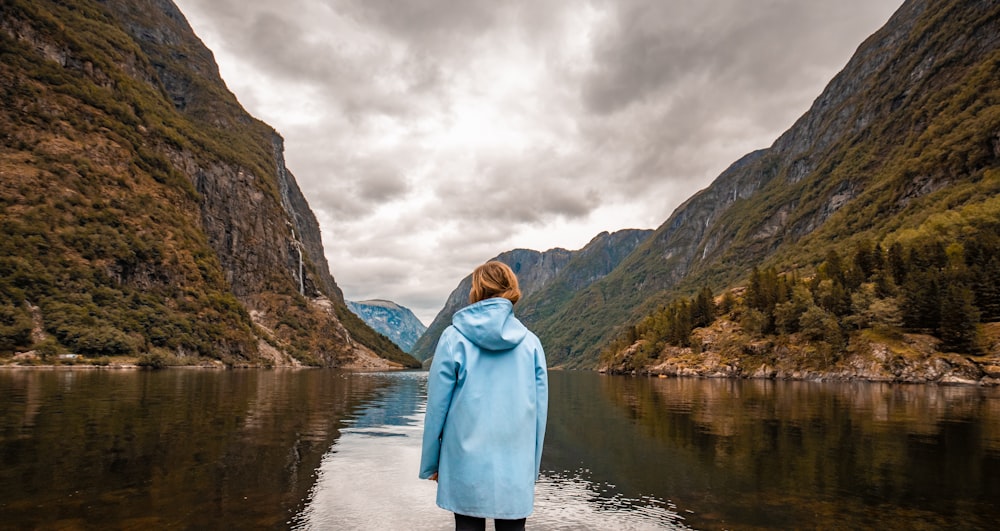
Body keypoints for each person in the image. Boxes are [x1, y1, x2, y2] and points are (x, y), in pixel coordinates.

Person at [419, 261, 549, 531]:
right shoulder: (531, 344)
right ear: (511, 289)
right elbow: (539, 414)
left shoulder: (453, 338)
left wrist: (432, 462)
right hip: (515, 466)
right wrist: (531, 469)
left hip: (463, 463)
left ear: (477, 290)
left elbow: (436, 408)